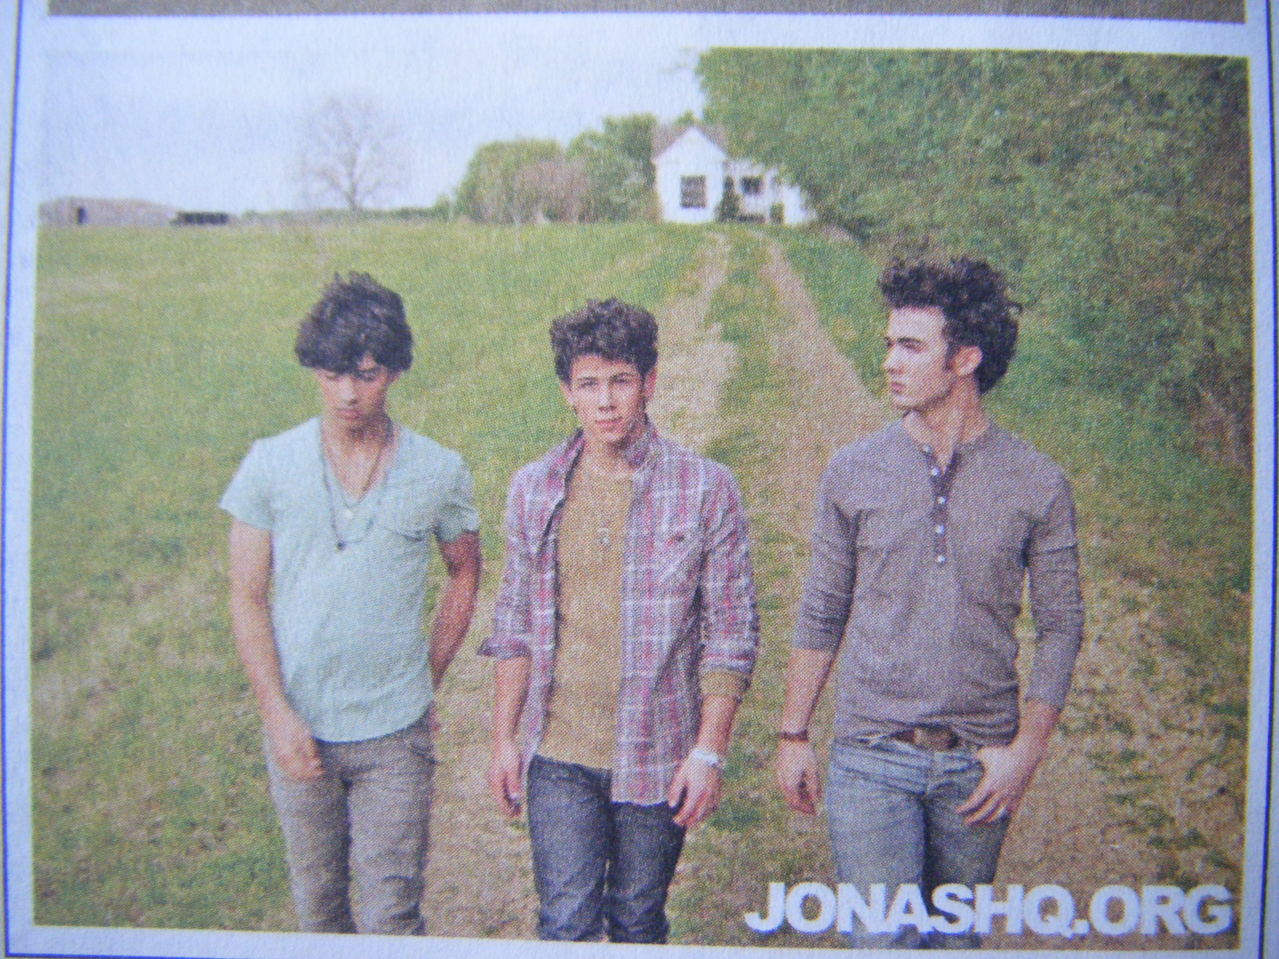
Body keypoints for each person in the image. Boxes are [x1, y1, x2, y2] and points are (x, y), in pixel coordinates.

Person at [775, 257, 1085, 949]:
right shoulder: (852, 470)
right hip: (870, 754)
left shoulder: (1037, 482)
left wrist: (1025, 753)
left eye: (910, 346)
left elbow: (1062, 626)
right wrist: (793, 734)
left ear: (964, 359)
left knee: (954, 945)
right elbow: (822, 608)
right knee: (882, 942)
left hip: (978, 763)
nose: (889, 361)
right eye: (889, 343)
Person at [482, 298, 759, 943]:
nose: (605, 401)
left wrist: (708, 752)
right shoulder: (534, 488)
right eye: (588, 384)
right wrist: (503, 739)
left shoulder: (706, 488)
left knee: (637, 921)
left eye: (620, 381)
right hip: (559, 753)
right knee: (565, 923)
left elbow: (730, 634)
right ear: (567, 393)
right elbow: (514, 622)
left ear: (649, 383)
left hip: (657, 751)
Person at [221, 272, 481, 935]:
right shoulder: (268, 464)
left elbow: (464, 573)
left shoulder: (439, 470)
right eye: (333, 374)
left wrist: (426, 678)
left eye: (366, 375)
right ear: (314, 368)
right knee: (320, 913)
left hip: (396, 735)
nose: (347, 393)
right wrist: (276, 713)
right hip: (301, 728)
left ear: (393, 371)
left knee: (392, 917)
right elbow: (246, 596)